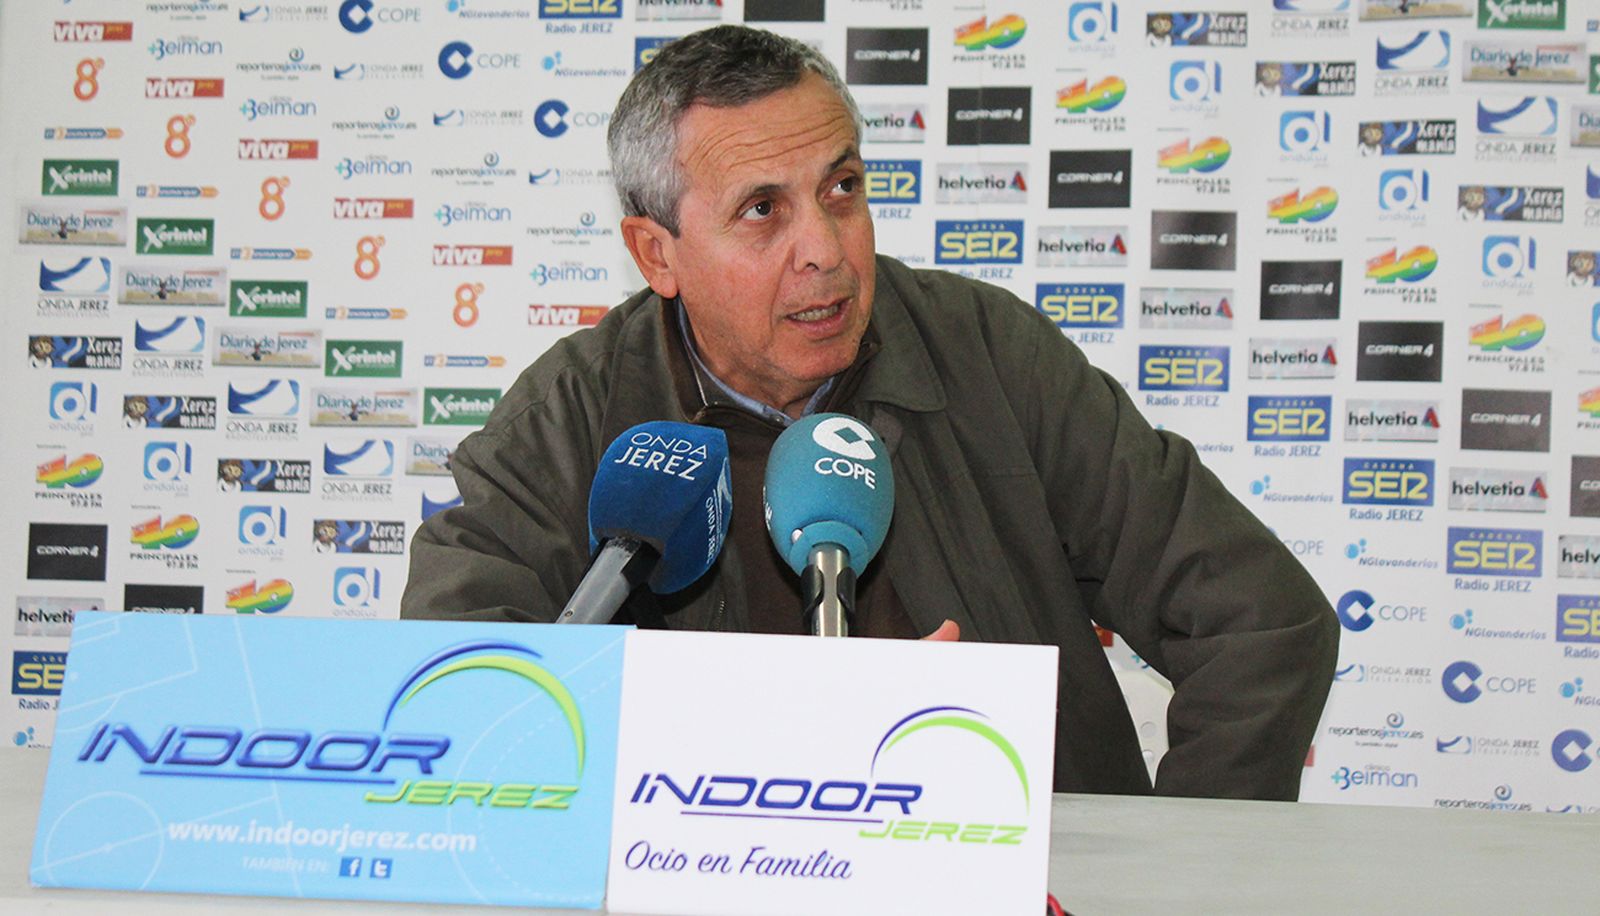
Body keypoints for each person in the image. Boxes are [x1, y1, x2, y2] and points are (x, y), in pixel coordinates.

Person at [401, 25, 1338, 801]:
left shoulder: (986, 355)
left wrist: (1170, 874)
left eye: (841, 189)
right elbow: (464, 695)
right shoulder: (567, 422)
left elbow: (1260, 620)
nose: (825, 250)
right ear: (658, 254)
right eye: (763, 209)